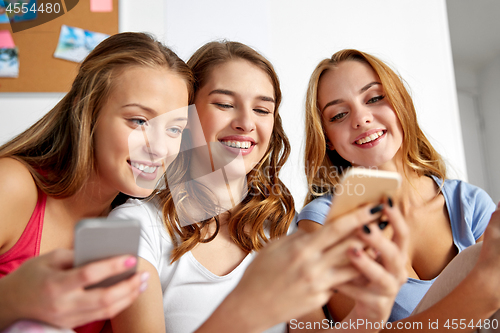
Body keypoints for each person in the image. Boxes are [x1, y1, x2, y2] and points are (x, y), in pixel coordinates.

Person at [108, 41, 408, 333]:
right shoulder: (132, 229)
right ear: (186, 117)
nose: (246, 123)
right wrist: (246, 308)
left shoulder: (278, 230)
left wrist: (371, 311)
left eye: (262, 110)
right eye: (225, 104)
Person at [0, 32, 193, 332]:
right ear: (86, 111)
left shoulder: (133, 228)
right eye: (139, 121)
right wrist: (13, 299)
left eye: (174, 129)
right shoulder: (12, 186)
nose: (159, 148)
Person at [299, 48, 499, 331]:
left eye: (375, 98)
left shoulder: (470, 203)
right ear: (328, 138)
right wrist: (483, 292)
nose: (360, 119)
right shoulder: (321, 222)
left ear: (400, 104)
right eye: (339, 114)